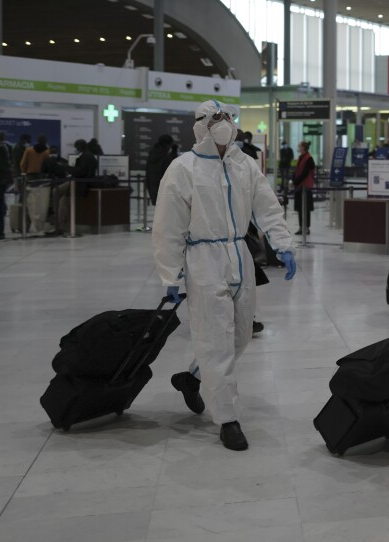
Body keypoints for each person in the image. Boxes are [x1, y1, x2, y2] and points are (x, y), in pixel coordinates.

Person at [153, 100, 296, 451]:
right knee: (215, 342)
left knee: (241, 335)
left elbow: (267, 205)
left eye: (229, 117)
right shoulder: (182, 168)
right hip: (203, 260)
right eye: (218, 118)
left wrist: (282, 243)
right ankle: (228, 419)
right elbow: (167, 227)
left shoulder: (243, 164)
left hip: (239, 255)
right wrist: (170, 275)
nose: (226, 124)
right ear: (201, 125)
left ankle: (192, 377)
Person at [51, 139, 98, 235]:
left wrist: (68, 168)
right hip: (76, 180)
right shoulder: (87, 155)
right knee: (56, 191)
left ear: (80, 147)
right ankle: (56, 217)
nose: (75, 149)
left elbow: (81, 172)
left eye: (76, 147)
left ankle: (60, 226)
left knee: (63, 201)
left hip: (80, 183)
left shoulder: (86, 157)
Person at [146, 135, 177, 206]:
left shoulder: (152, 154)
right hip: (163, 191)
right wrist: (174, 153)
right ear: (167, 145)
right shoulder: (166, 157)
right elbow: (172, 170)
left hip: (153, 189)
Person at [292, 141, 315, 235]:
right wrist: (294, 179)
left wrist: (296, 181)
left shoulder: (309, 159)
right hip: (299, 187)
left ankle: (306, 227)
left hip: (305, 187)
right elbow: (297, 170)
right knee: (300, 208)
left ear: (303, 148)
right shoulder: (300, 157)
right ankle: (301, 227)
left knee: (306, 208)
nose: (298, 148)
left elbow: (305, 173)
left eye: (299, 146)